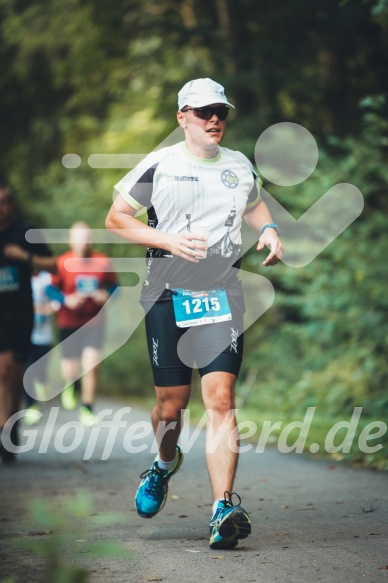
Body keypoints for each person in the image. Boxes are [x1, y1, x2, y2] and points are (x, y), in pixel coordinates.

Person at [105, 78, 283, 549]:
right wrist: (166, 240)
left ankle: (223, 508)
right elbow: (116, 217)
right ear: (182, 116)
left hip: (222, 291)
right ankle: (164, 466)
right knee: (172, 404)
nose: (214, 119)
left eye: (220, 111)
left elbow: (255, 202)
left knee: (221, 398)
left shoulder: (239, 165)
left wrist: (268, 229)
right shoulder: (160, 163)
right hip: (166, 291)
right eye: (203, 111)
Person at [0, 183, 55, 463]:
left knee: (15, 372)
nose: (3, 208)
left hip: (21, 310)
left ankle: (11, 423)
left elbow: (55, 264)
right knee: (4, 369)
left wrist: (26, 257)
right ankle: (4, 428)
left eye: (6, 202)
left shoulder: (25, 233)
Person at [46, 221, 118, 427]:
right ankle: (71, 383)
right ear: (71, 240)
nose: (83, 242)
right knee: (70, 369)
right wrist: (65, 300)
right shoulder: (62, 262)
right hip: (68, 321)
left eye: (86, 238)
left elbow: (115, 286)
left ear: (91, 240)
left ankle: (87, 408)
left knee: (92, 364)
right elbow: (50, 290)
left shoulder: (102, 261)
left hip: (94, 321)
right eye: (79, 238)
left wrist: (106, 294)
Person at [23, 270, 58, 426]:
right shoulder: (21, 277)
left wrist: (42, 310)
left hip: (44, 335)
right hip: (25, 335)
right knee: (28, 369)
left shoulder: (47, 278)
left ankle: (42, 382)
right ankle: (31, 406)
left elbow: (57, 302)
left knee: (40, 370)